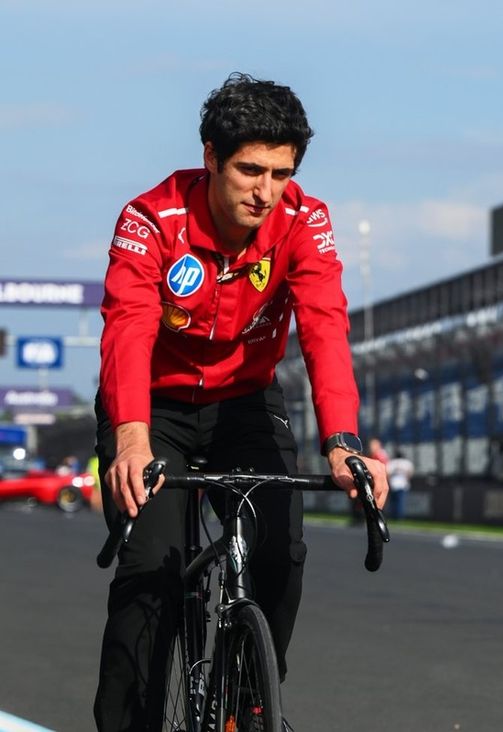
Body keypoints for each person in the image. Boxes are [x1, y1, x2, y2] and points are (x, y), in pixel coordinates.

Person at [93, 72, 389, 731]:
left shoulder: (304, 220)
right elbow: (128, 327)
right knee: (150, 573)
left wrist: (343, 442)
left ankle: (252, 709)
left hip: (246, 400)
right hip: (153, 407)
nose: (266, 191)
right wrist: (131, 438)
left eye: (281, 174)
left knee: (282, 553)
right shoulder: (151, 218)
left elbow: (325, 325)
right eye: (250, 171)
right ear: (210, 158)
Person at [386, 450, 414, 519]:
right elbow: (410, 473)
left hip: (393, 484)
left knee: (393, 501)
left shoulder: (392, 462)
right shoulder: (407, 463)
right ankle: (399, 516)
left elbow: (388, 474)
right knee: (400, 501)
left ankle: (394, 516)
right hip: (403, 484)